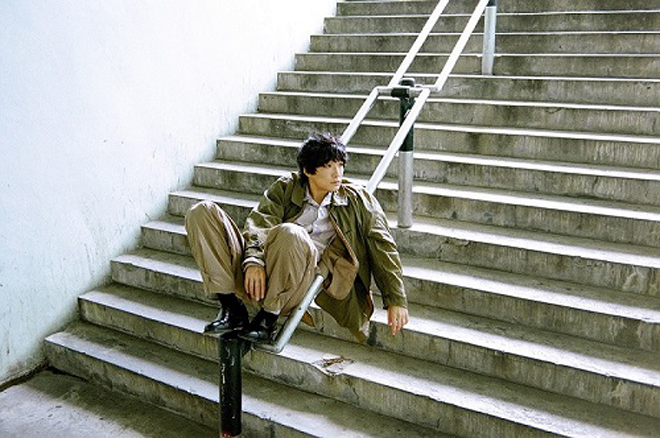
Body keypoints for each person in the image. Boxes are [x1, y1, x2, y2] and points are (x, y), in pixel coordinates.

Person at [184, 132, 409, 343]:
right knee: (202, 212)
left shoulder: (358, 200)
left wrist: (395, 299)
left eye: (340, 165)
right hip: (263, 267)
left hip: (297, 281)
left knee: (291, 233)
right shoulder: (286, 187)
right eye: (328, 166)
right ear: (308, 170)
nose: (337, 173)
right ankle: (230, 306)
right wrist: (254, 260)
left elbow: (383, 246)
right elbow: (261, 222)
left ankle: (268, 319)